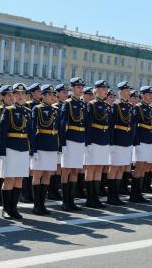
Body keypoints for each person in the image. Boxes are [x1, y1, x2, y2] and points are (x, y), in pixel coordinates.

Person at [0, 83, 34, 219]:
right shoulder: (8, 110)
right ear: (13, 96)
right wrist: (2, 151)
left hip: (23, 148)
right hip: (11, 148)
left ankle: (14, 208)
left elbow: (31, 133)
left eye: (23, 94)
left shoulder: (28, 112)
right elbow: (2, 132)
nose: (20, 96)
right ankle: (6, 209)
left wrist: (32, 150)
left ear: (26, 96)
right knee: (9, 179)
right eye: (17, 94)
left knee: (19, 179)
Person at [30, 84, 59, 215]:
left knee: (48, 175)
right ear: (43, 96)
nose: (52, 97)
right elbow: (32, 129)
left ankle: (42, 203)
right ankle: (36, 204)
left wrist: (58, 147)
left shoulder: (55, 110)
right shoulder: (37, 108)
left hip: (52, 145)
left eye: (54, 95)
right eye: (49, 95)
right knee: (38, 175)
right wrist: (33, 149)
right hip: (41, 144)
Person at [59, 77, 87, 211]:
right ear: (71, 88)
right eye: (78, 87)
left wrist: (85, 142)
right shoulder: (68, 103)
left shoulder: (83, 104)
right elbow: (62, 125)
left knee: (75, 170)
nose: (80, 89)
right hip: (70, 140)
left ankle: (72, 200)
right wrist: (62, 144)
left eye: (82, 87)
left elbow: (85, 124)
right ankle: (65, 201)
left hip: (80, 140)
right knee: (67, 170)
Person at [83, 80, 110, 208]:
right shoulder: (91, 105)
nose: (106, 91)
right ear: (97, 90)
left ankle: (96, 197)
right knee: (91, 168)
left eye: (106, 89)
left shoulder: (106, 106)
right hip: (94, 140)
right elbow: (87, 125)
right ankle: (90, 198)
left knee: (99, 168)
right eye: (103, 89)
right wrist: (87, 143)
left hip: (103, 140)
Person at [107, 81, 134, 205]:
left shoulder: (129, 106)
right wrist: (111, 143)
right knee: (114, 168)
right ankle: (111, 196)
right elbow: (111, 125)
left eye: (129, 90)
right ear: (121, 91)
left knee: (122, 168)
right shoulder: (115, 105)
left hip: (126, 140)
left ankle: (116, 195)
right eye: (127, 90)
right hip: (117, 140)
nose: (129, 93)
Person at [130, 86, 152, 202]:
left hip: (148, 140)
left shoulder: (149, 108)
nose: (151, 97)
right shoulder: (138, 107)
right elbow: (134, 126)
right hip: (141, 141)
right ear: (142, 95)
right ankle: (134, 194)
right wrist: (136, 143)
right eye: (149, 94)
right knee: (139, 167)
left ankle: (138, 193)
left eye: (151, 94)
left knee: (144, 167)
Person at [47, 84, 68, 201]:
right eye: (63, 92)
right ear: (57, 94)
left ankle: (56, 189)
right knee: (53, 167)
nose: (65, 94)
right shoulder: (55, 107)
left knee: (59, 166)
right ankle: (51, 191)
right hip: (56, 139)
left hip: (62, 139)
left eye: (66, 92)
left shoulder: (65, 105)